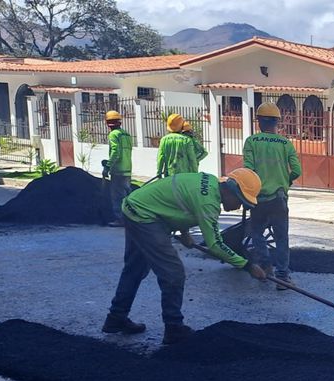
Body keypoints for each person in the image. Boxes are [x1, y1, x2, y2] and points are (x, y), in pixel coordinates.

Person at [102, 168, 268, 345]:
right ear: (231, 191)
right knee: (173, 274)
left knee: (134, 269)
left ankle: (116, 317)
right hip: (145, 217)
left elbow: (180, 201)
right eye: (240, 201)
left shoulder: (209, 183)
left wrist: (184, 231)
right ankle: (174, 328)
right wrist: (247, 265)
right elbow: (215, 244)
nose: (239, 206)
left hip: (134, 207)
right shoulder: (208, 203)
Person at [243, 102, 302, 290]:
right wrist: (286, 182)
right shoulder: (285, 143)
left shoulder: (252, 141)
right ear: (277, 121)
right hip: (279, 198)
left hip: (258, 198)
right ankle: (283, 277)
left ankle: (265, 263)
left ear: (259, 120)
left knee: (256, 232)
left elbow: (249, 170)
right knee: (281, 237)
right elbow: (297, 170)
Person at [104, 110, 133, 226]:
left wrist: (108, 166)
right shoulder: (126, 134)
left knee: (117, 196)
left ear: (107, 123)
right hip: (127, 168)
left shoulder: (113, 135)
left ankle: (120, 219)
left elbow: (115, 152)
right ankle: (130, 217)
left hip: (118, 170)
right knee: (127, 195)